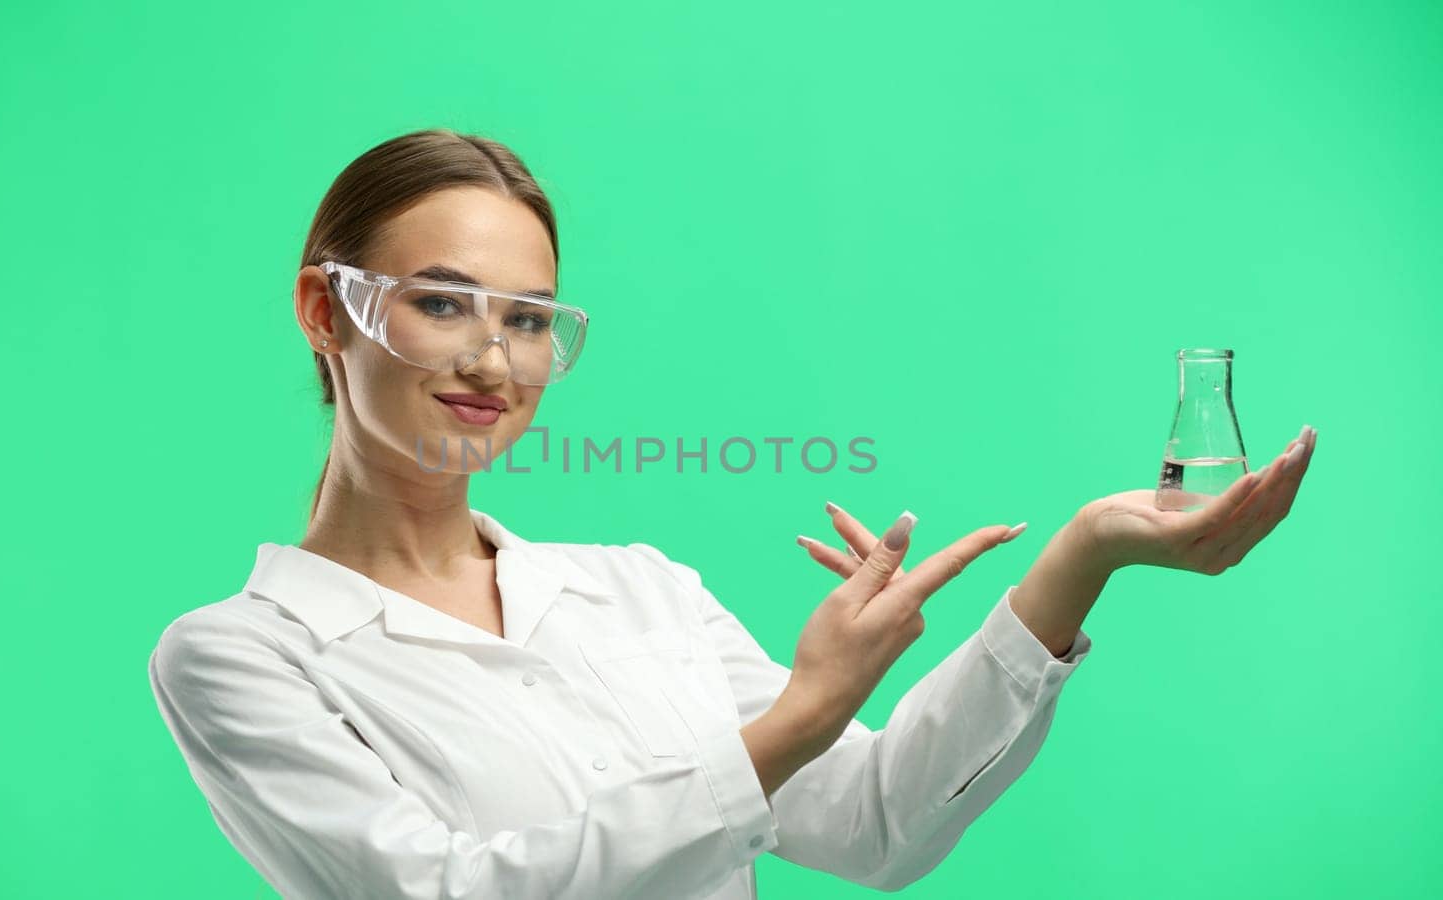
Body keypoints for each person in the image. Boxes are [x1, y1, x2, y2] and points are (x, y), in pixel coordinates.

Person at [147, 129, 1317, 900]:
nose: (492, 360)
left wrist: (1080, 558)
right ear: (323, 309)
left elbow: (876, 825)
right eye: (443, 303)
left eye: (531, 318)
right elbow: (445, 891)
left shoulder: (636, 589)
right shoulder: (240, 657)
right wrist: (798, 716)